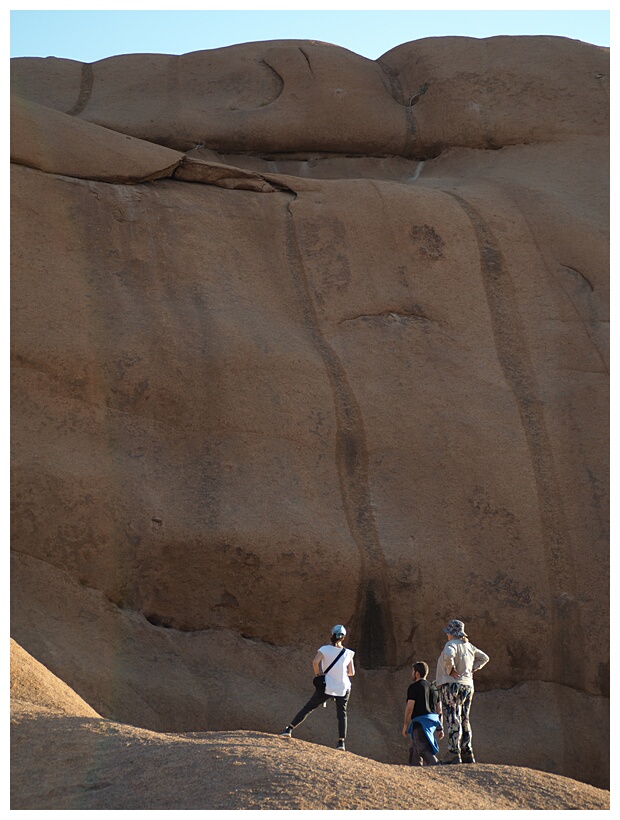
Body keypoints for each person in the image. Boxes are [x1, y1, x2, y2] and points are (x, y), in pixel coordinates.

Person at [279, 624, 355, 751]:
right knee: (342, 714)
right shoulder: (348, 653)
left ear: (331, 635)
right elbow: (351, 672)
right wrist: (339, 672)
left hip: (327, 685)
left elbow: (315, 662)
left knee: (308, 707)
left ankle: (289, 729)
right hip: (343, 687)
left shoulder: (324, 649)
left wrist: (319, 674)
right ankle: (341, 743)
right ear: (343, 638)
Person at [435, 619, 490, 764]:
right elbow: (484, 658)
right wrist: (472, 669)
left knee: (452, 717)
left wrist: (450, 669)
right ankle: (467, 752)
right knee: (465, 718)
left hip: (452, 685)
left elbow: (448, 655)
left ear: (452, 633)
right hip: (468, 685)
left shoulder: (451, 644)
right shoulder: (469, 646)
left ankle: (453, 752)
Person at [402, 660, 444, 766]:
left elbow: (409, 708)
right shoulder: (434, 688)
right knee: (414, 749)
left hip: (420, 722)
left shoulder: (414, 687)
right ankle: (414, 771)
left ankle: (437, 766)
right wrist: (440, 728)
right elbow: (439, 710)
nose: (412, 674)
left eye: (413, 671)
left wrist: (406, 725)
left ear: (417, 673)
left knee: (423, 749)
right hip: (432, 723)